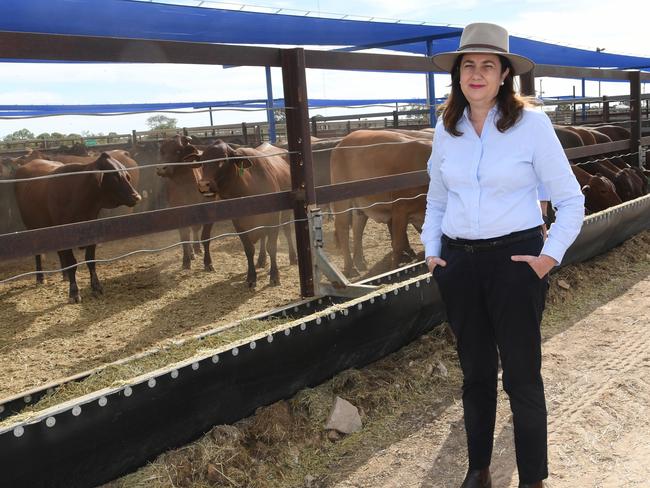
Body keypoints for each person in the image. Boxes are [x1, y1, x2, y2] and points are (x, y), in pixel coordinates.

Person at [421, 23, 585, 488]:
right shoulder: (445, 127)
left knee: (521, 376)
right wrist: (433, 254)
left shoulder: (531, 125)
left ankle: (532, 478)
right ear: (457, 73)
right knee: (474, 373)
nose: (476, 73)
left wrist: (547, 258)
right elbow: (435, 199)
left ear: (504, 73)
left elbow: (571, 200)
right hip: (459, 265)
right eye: (468, 65)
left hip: (516, 263)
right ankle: (478, 470)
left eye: (487, 65)